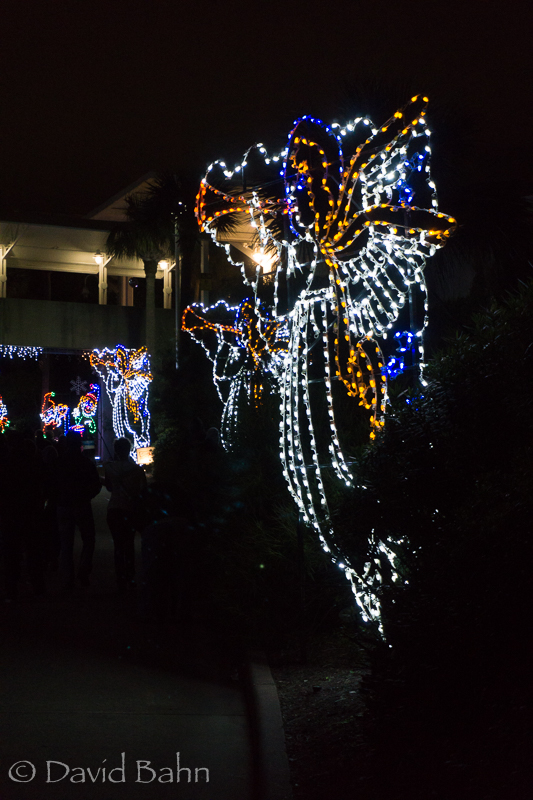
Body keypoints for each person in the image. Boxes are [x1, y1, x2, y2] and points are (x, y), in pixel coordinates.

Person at [56, 430, 101, 589]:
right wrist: (87, 495)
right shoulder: (85, 463)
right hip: (82, 505)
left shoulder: (59, 462)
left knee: (66, 543)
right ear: (80, 444)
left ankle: (68, 577)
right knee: (89, 539)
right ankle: (83, 570)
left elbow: (52, 484)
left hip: (64, 505)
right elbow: (96, 484)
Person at [104, 437, 147, 591]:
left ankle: (120, 577)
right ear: (129, 450)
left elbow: (109, 488)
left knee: (118, 545)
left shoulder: (109, 468)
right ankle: (130, 575)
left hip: (114, 509)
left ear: (116, 450)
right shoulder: (137, 470)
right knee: (129, 544)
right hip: (130, 509)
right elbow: (143, 492)